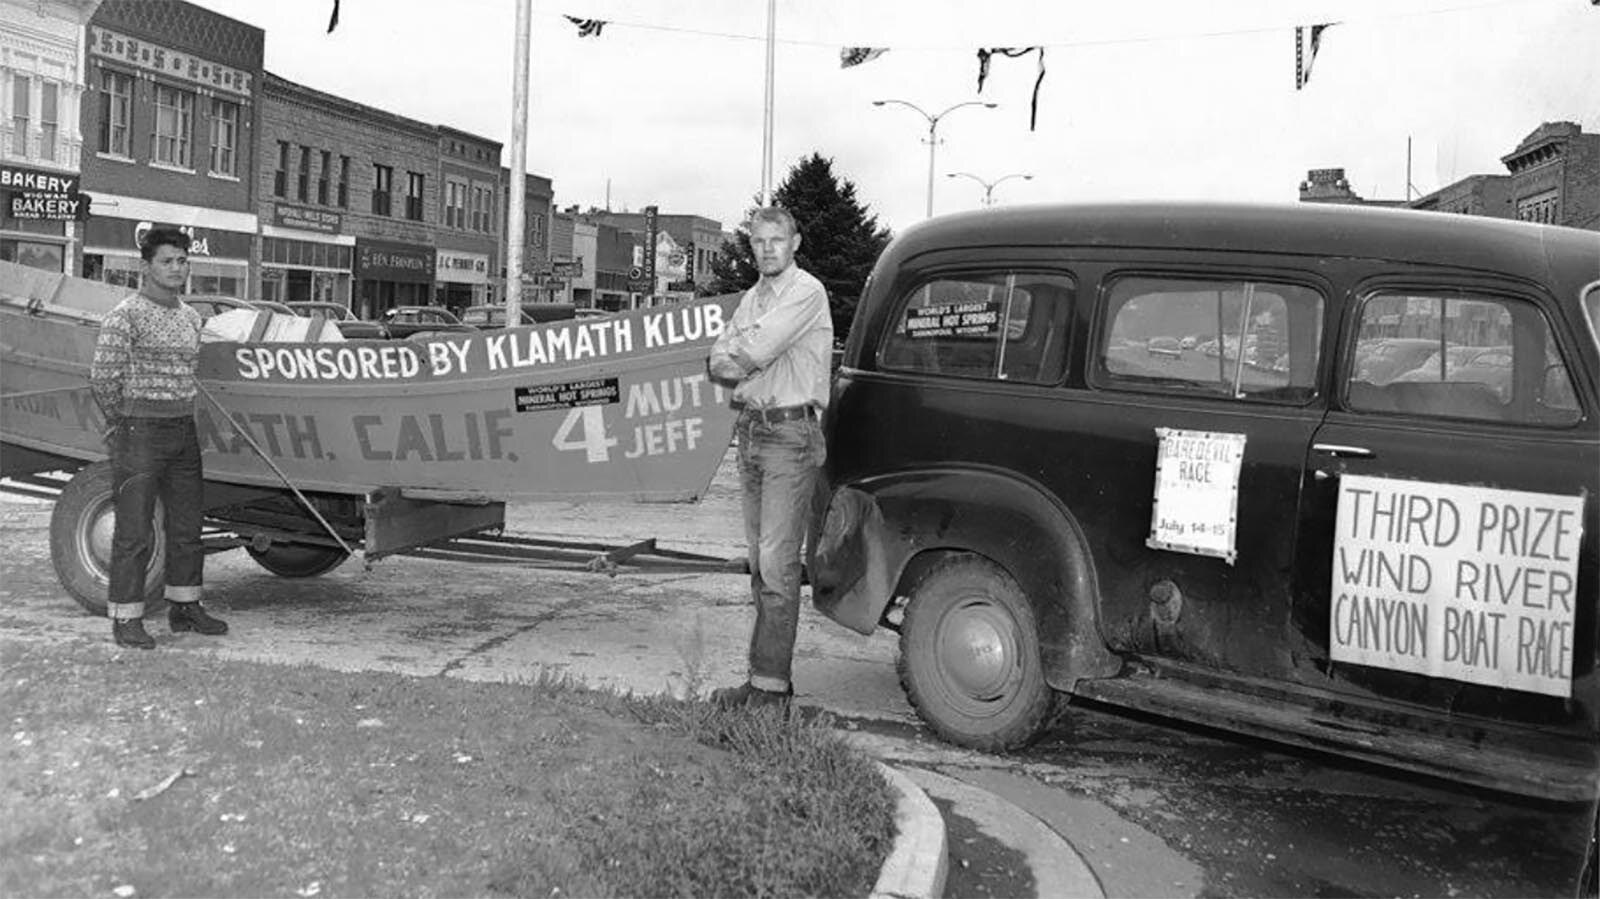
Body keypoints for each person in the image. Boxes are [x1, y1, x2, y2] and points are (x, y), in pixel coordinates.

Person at [706, 206, 833, 709]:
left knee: (778, 566)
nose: (766, 249)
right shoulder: (752, 298)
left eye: (776, 240)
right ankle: (766, 678)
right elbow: (719, 361)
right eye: (758, 241)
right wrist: (742, 351)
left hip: (788, 435)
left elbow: (750, 354)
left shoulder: (806, 292)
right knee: (761, 565)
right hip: (753, 433)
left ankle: (769, 691)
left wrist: (744, 350)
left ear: (795, 242)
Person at [90, 226, 228, 649]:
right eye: (167, 261)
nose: (176, 269)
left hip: (183, 430)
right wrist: (124, 422)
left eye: (182, 261)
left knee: (188, 525)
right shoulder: (125, 315)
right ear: (145, 266)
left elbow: (189, 377)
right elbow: (103, 377)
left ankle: (185, 608)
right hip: (139, 432)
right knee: (134, 531)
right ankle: (126, 618)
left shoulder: (191, 318)